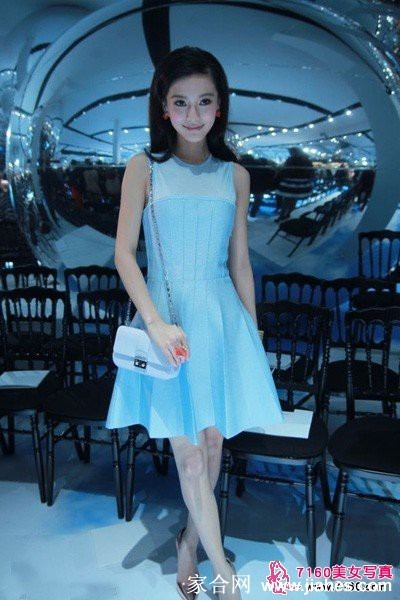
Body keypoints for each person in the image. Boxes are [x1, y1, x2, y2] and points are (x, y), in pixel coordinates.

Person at [105, 46, 284, 599]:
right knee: (188, 460)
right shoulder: (144, 168)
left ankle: (188, 539)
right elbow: (124, 255)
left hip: (220, 321)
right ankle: (224, 578)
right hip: (167, 320)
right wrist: (154, 323)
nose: (192, 114)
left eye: (204, 101)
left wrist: (252, 332)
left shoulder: (235, 175)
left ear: (219, 107)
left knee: (210, 450)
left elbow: (241, 263)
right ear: (163, 107)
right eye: (180, 102)